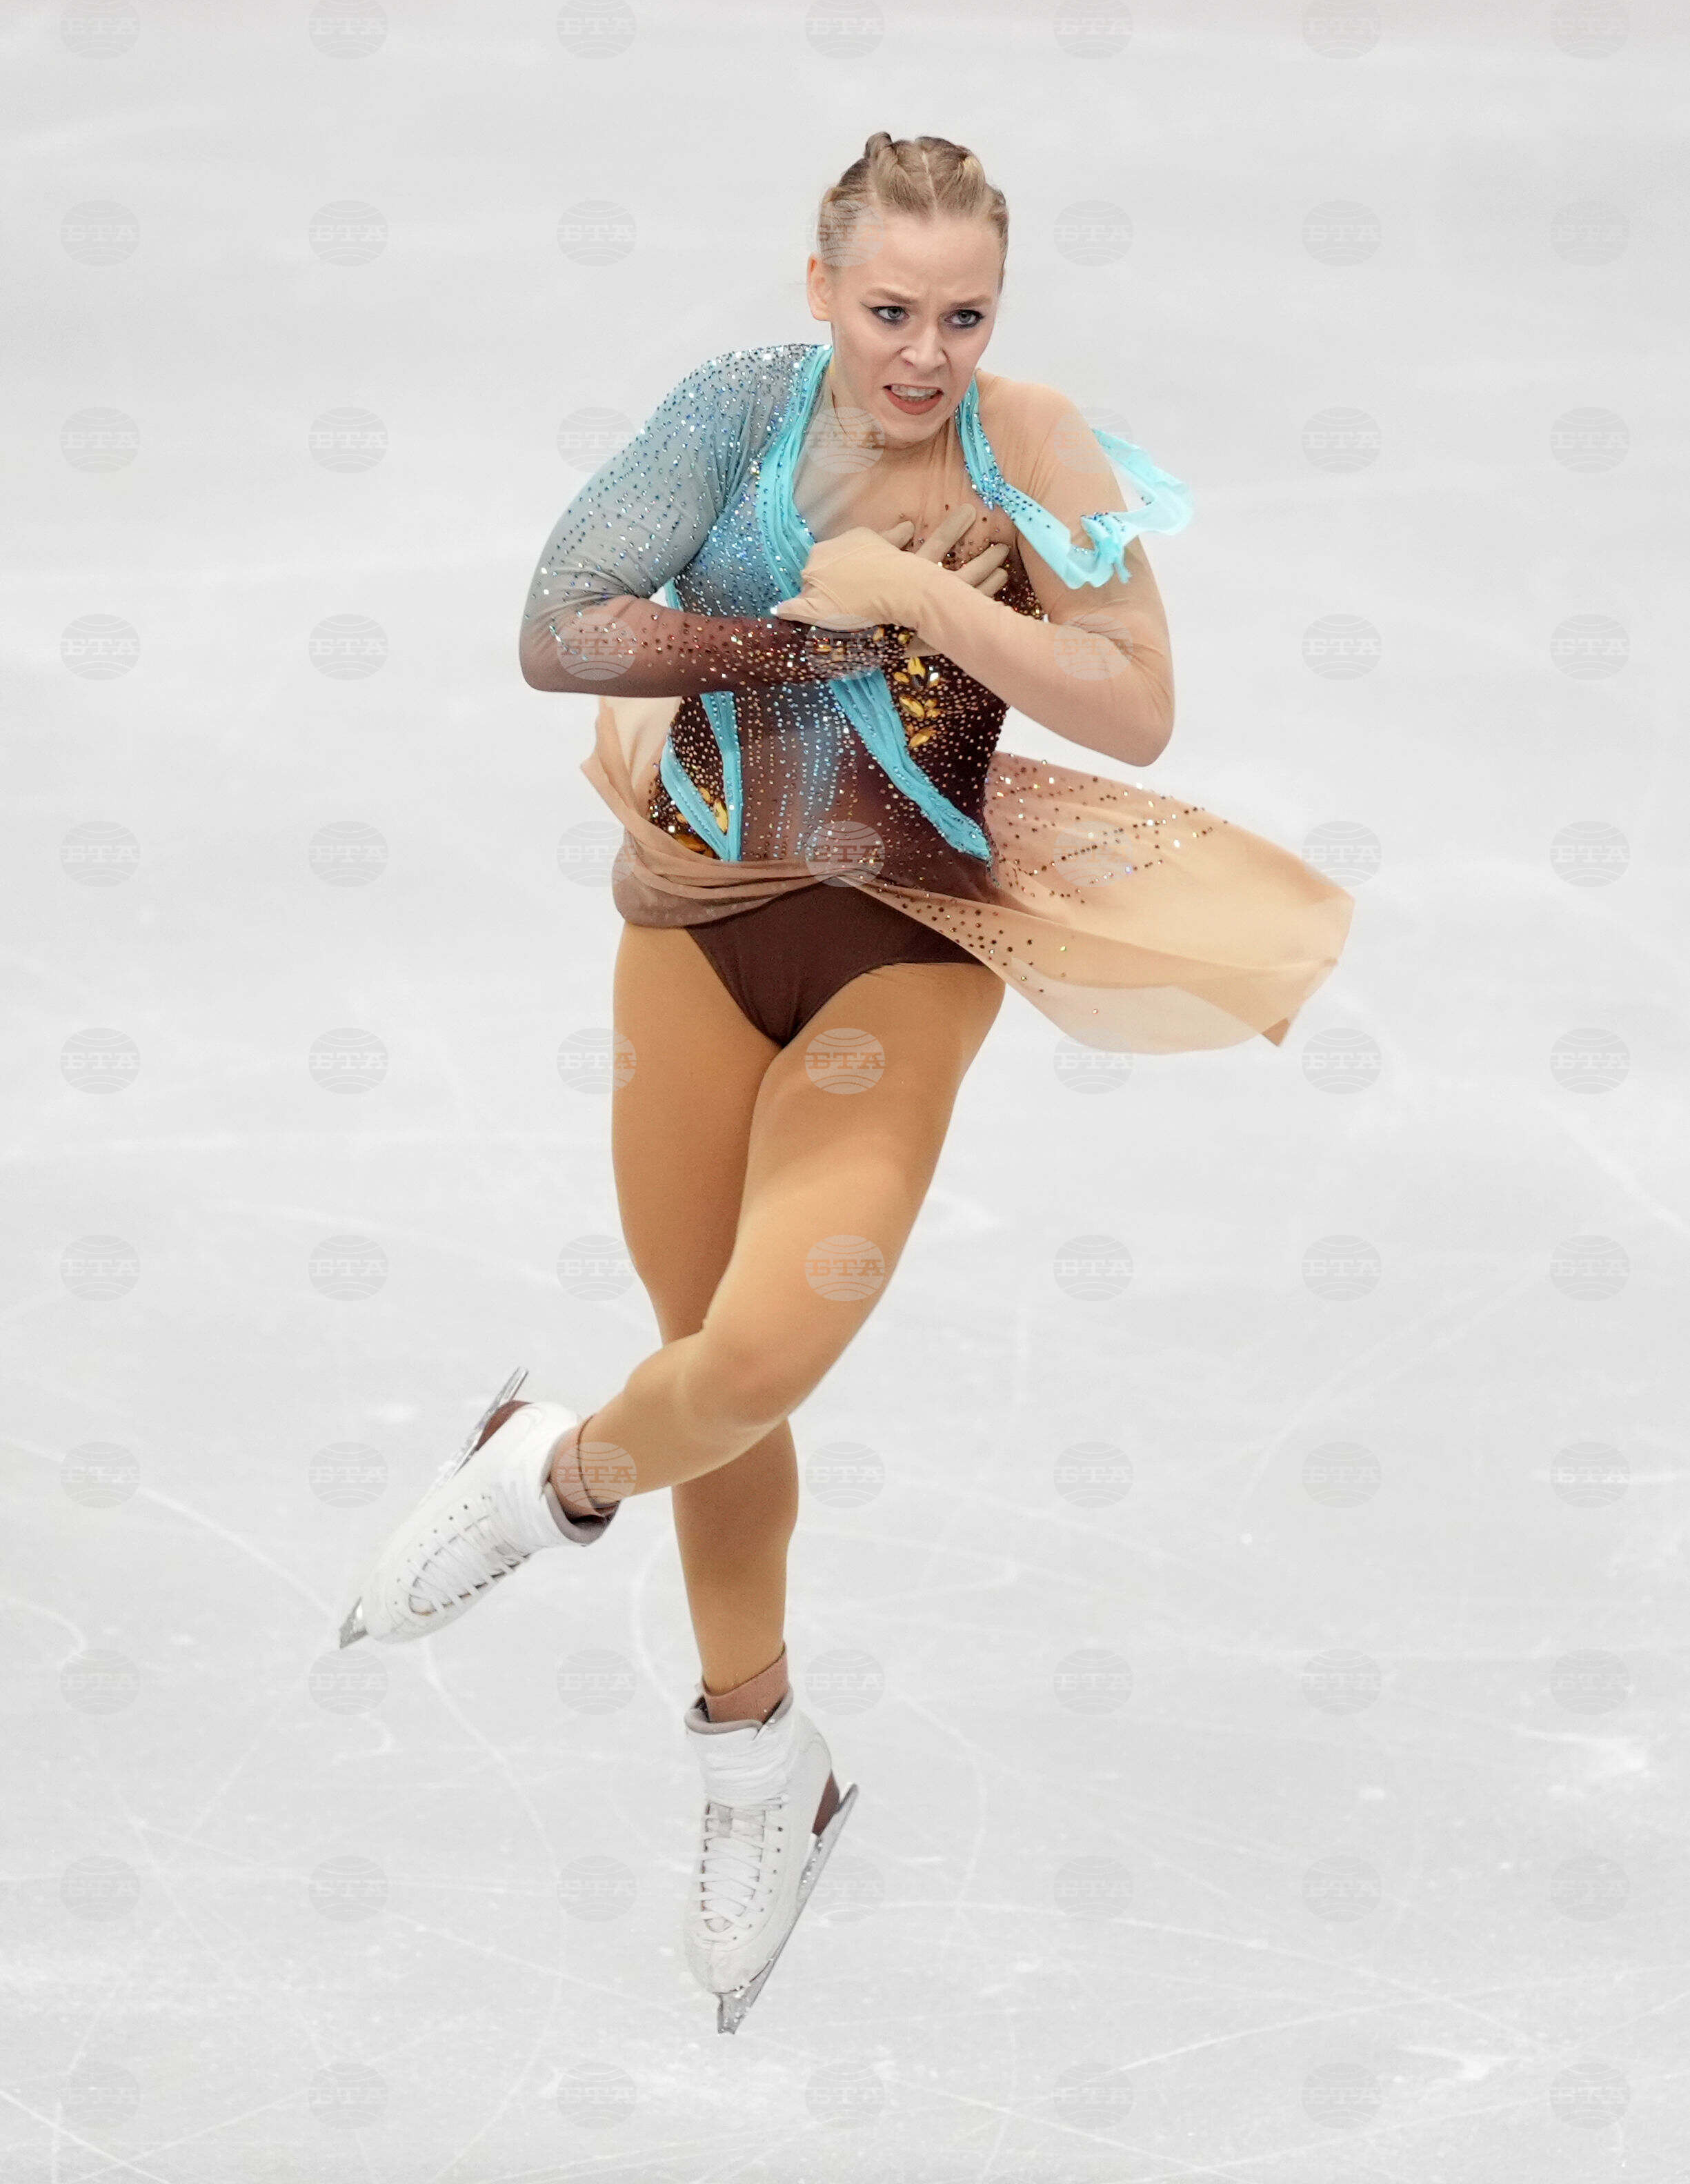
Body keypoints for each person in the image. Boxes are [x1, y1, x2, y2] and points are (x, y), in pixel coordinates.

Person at [336, 131, 1355, 2032]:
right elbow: (561, 624)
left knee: (758, 1355)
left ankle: (544, 1475)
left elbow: (1136, 704)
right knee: (705, 1361)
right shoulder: (734, 411)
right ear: (821, 291)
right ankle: (760, 1764)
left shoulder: (1029, 445)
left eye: (964, 315)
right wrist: (786, 645)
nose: (924, 353)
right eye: (890, 310)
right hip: (693, 921)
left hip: (900, 946)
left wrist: (928, 604)